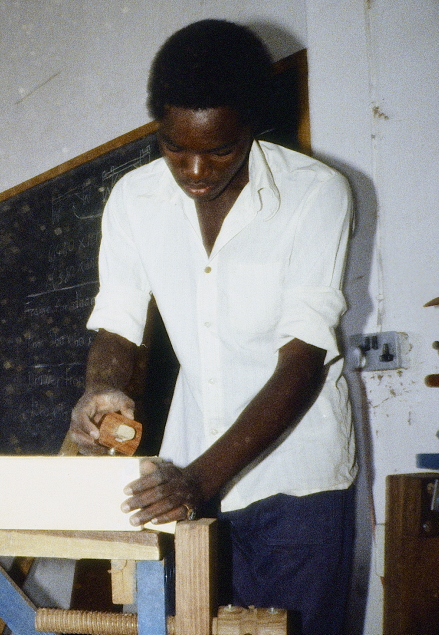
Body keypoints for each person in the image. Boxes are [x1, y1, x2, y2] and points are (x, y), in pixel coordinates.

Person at [69, 20, 356, 635]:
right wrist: (103, 387)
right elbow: (118, 319)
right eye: (175, 148)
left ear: (252, 125)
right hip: (189, 475)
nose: (195, 170)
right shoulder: (133, 200)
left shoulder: (316, 195)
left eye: (221, 150)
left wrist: (199, 480)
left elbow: (303, 359)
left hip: (297, 483)